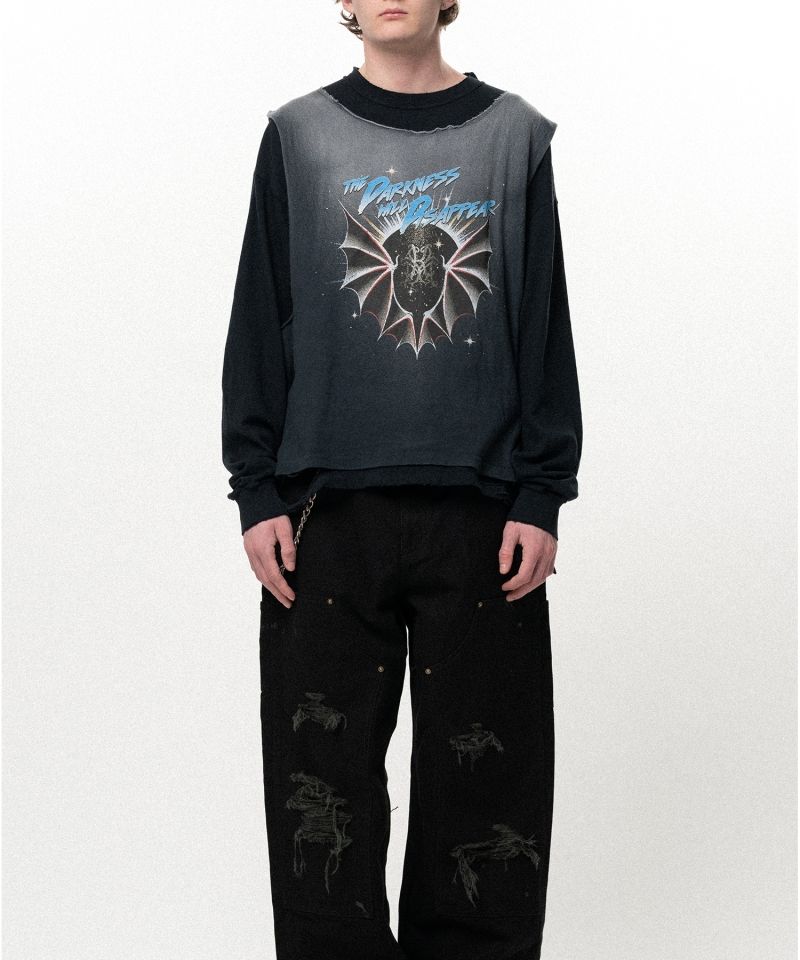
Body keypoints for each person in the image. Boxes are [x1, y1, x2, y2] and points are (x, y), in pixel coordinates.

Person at [220, 2, 582, 957]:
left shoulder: (513, 136)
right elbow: (260, 314)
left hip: (483, 516)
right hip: (326, 513)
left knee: (488, 802)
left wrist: (541, 492)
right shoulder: (299, 135)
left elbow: (543, 321)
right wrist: (255, 488)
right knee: (321, 801)